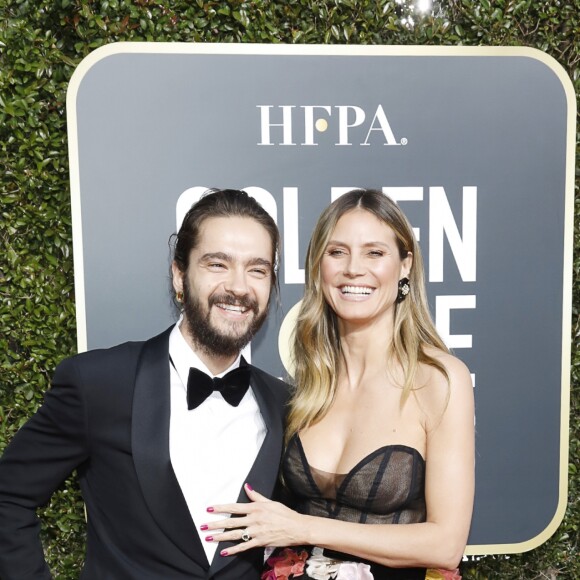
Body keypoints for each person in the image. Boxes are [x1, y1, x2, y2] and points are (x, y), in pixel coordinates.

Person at [0, 189, 289, 579]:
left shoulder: (285, 404)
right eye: (217, 264)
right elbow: (9, 495)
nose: (238, 286)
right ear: (179, 275)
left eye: (257, 269)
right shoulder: (100, 383)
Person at [201, 189, 475, 580]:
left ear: (405, 266)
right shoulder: (304, 384)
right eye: (337, 252)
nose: (353, 269)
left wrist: (301, 527)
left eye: (374, 253)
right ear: (318, 266)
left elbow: (446, 544)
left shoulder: (439, 379)